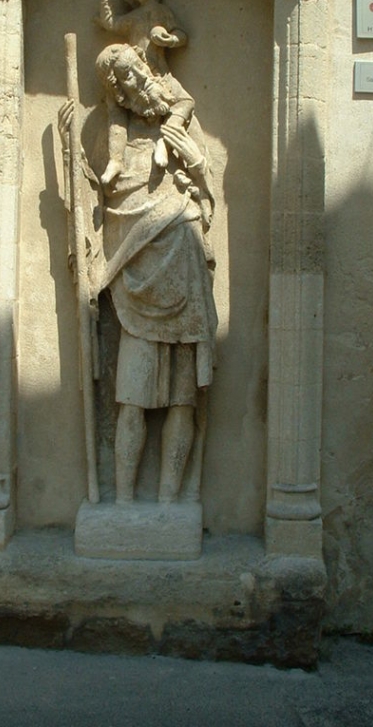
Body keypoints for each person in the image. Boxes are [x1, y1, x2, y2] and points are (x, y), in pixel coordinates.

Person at [59, 44, 217, 504]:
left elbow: (206, 203)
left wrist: (200, 169)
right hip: (133, 282)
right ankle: (123, 504)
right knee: (131, 398)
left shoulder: (184, 121)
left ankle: (170, 504)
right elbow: (91, 202)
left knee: (183, 398)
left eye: (140, 73)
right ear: (120, 96)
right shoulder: (118, 141)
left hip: (183, 272)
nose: (140, 83)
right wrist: (72, 150)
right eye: (127, 82)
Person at [95, 0, 193, 175]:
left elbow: (181, 34)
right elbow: (112, 23)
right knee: (117, 112)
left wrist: (169, 40)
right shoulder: (134, 17)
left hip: (158, 72)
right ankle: (116, 160)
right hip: (131, 68)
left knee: (184, 101)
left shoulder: (162, 11)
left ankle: (164, 143)